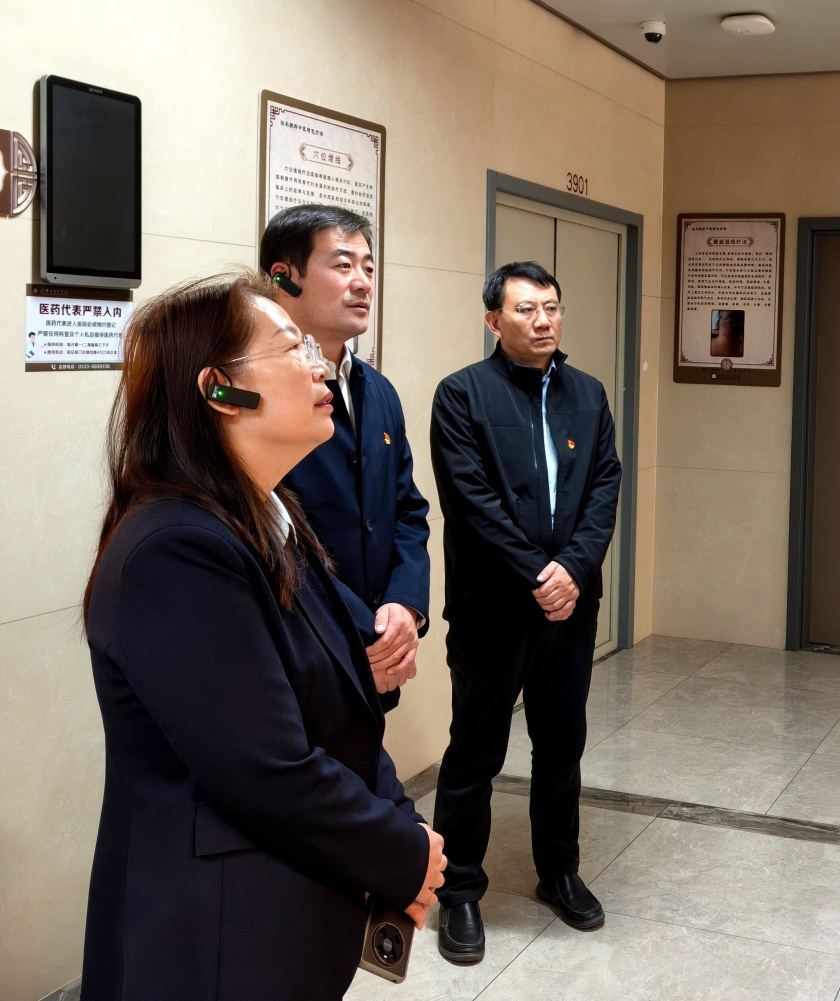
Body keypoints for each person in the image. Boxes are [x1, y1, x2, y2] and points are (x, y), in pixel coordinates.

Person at [80, 273, 446, 1000]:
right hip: (212, 938)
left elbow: (344, 710)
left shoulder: (269, 517)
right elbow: (269, 768)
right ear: (219, 389)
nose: (318, 367)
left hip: (285, 909)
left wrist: (403, 825)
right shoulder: (175, 548)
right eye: (290, 347)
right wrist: (401, 853)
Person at [429, 260, 622, 962]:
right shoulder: (462, 395)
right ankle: (457, 890)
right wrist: (538, 572)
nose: (542, 321)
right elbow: (470, 500)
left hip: (570, 605)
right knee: (475, 751)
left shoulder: (587, 393)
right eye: (525, 309)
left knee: (561, 743)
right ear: (493, 320)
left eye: (551, 307)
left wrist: (573, 569)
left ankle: (559, 871)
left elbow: (604, 485)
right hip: (492, 607)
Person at [265, 204, 431, 707]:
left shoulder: (378, 391)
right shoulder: (258, 394)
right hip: (297, 655)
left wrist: (404, 606)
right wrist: (363, 633)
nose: (362, 282)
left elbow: (407, 511)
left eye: (369, 268)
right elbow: (263, 533)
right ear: (283, 277)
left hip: (377, 648)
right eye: (342, 265)